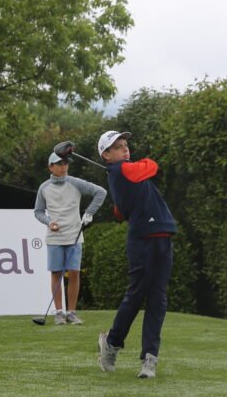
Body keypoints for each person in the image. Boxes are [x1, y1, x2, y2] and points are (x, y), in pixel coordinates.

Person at [96, 130, 176, 379]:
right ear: (106, 155)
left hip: (162, 235)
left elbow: (120, 212)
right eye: (118, 147)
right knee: (137, 295)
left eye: (125, 145)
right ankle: (112, 343)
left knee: (157, 298)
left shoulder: (124, 174)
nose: (125, 149)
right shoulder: (122, 170)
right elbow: (151, 165)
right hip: (143, 240)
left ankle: (149, 358)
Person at [34, 151, 106, 324]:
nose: (64, 167)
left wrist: (89, 213)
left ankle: (71, 313)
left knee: (74, 273)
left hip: (74, 234)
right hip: (55, 237)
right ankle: (59, 313)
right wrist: (49, 222)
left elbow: (101, 192)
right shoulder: (44, 188)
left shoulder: (75, 182)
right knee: (56, 273)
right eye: (59, 164)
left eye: (66, 163)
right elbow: (38, 212)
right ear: (51, 167)